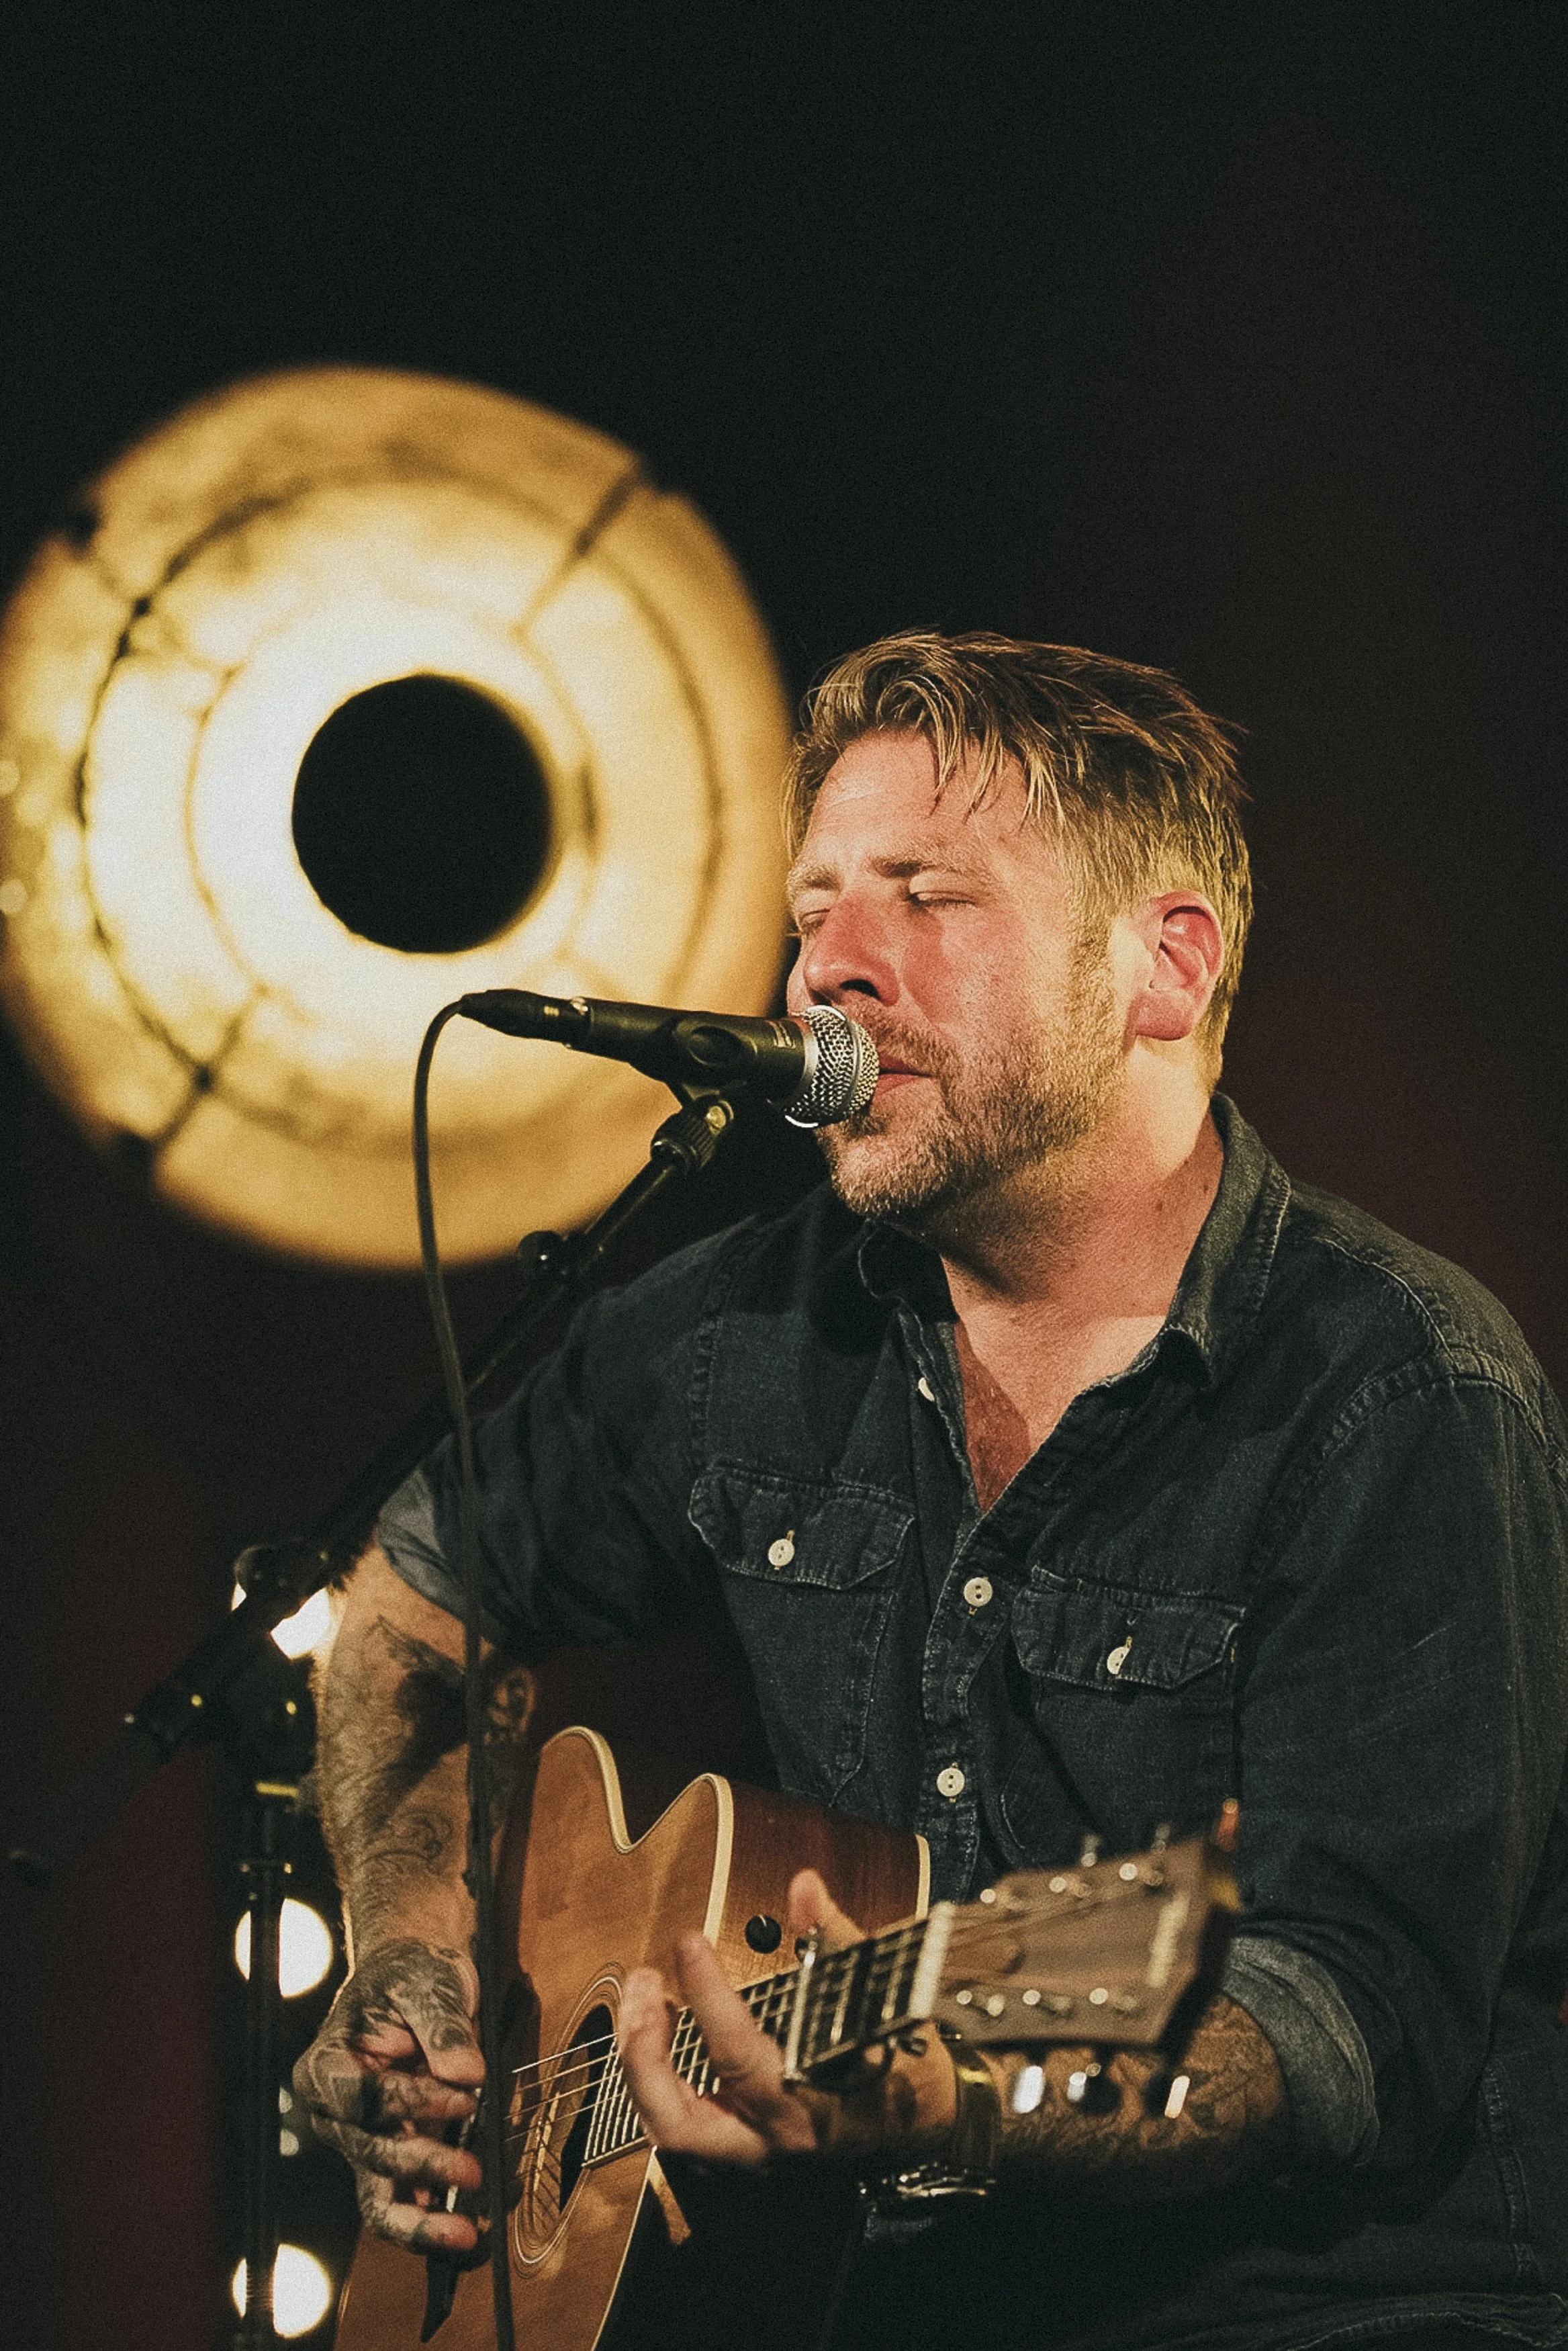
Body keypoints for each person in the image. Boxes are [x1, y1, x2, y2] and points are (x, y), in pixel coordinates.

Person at [295, 633, 1568, 2351]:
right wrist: (411, 1943)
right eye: (813, 903)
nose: (827, 967)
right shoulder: (750, 1328)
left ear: (1166, 971)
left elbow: (1340, 2018)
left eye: (926, 894)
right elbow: (408, 1594)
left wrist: (955, 2097)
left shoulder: (1398, 1390)